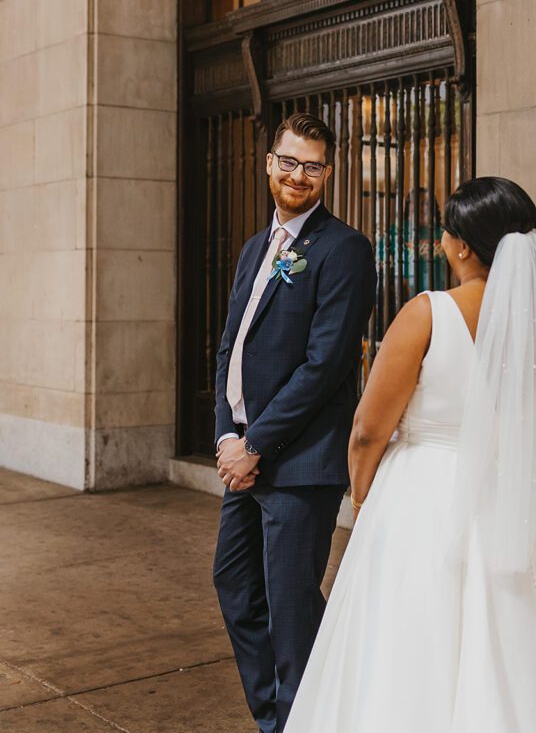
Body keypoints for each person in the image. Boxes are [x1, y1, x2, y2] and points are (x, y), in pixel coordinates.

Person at [285, 177, 536, 732]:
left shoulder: (426, 313)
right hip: (509, 492)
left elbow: (368, 431)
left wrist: (366, 498)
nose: (441, 241)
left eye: (446, 232)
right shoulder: (529, 324)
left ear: (464, 245)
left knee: (409, 646)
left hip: (420, 491)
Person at [212, 112, 376, 733]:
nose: (298, 175)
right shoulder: (257, 248)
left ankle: (307, 721)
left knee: (293, 612)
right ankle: (276, 719)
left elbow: (325, 366)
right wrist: (227, 436)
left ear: (328, 174)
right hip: (244, 458)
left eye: (312, 166)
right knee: (235, 589)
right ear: (268, 163)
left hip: (298, 466)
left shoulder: (344, 250)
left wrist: (256, 443)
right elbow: (229, 347)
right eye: (288, 161)